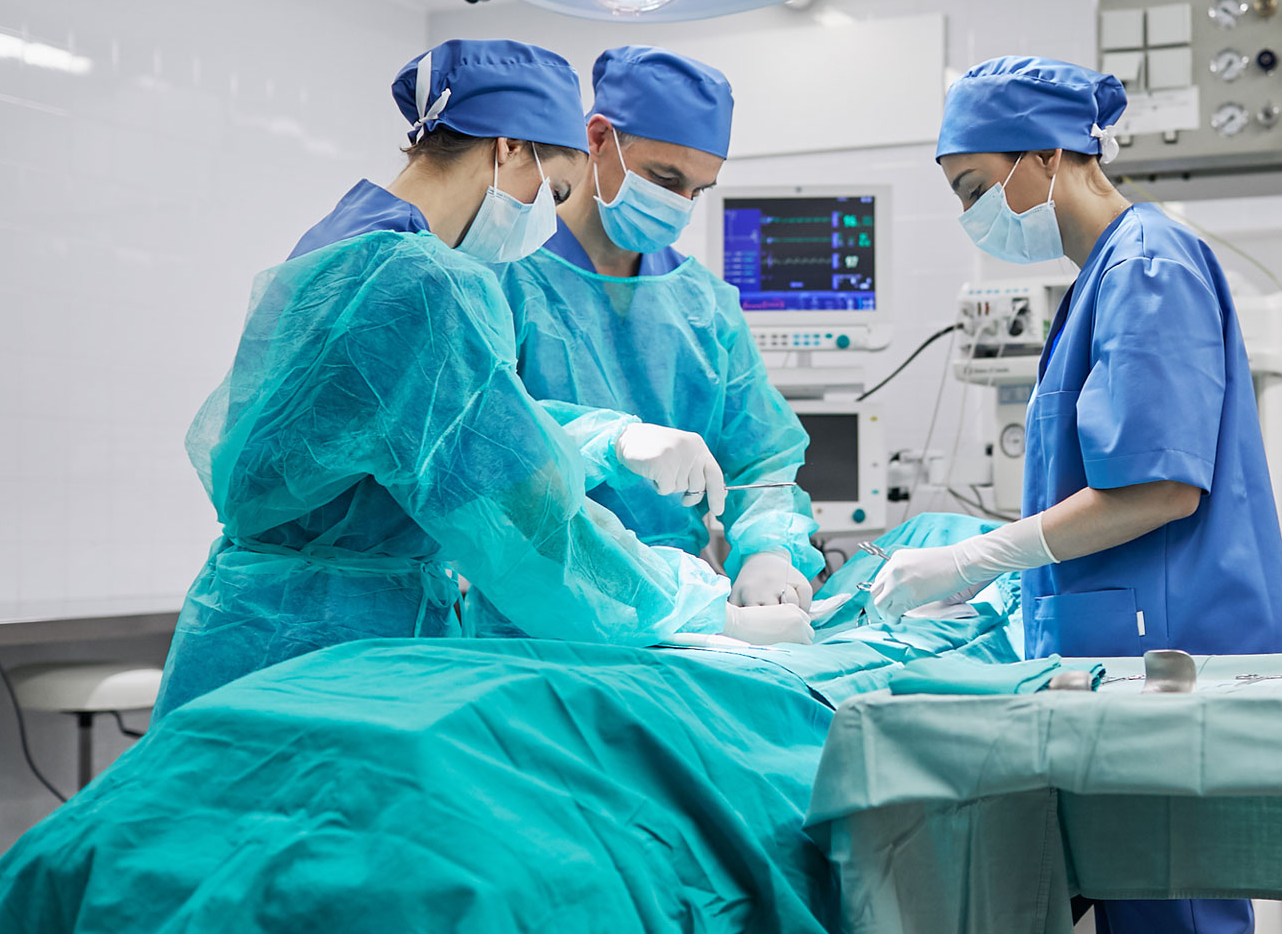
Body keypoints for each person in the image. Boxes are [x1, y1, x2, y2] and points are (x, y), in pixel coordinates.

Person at [155, 39, 809, 720]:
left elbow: (462, 430)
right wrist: (703, 611)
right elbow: (523, 513)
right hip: (334, 649)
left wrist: (614, 441)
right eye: (552, 190)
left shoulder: (346, 251)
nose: (543, 215)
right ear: (508, 149)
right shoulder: (418, 281)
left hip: (267, 630)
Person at [868, 56, 1282, 934]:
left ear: (1044, 159)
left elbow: (1160, 490)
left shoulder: (1148, 264)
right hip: (1136, 664)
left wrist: (983, 556)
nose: (973, 214)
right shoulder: (1107, 274)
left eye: (976, 188)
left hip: (1176, 665)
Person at [469, 45, 822, 640]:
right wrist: (612, 440)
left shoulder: (705, 305)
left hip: (687, 610)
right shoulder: (500, 276)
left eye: (698, 190)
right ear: (599, 139)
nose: (680, 204)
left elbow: (762, 459)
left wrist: (769, 550)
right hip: (536, 606)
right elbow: (481, 437)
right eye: (665, 178)